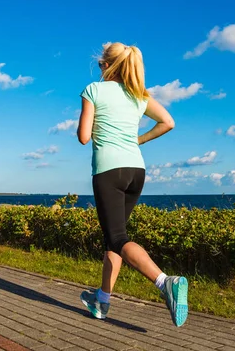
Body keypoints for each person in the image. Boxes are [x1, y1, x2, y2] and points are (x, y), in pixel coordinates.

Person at [77, 42, 189, 327]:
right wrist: (137, 140)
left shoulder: (94, 89)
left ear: (105, 65)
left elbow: (83, 137)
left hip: (108, 171)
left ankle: (166, 282)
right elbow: (168, 122)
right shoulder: (138, 95)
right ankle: (102, 300)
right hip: (136, 170)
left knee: (117, 238)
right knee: (114, 238)